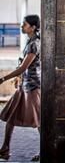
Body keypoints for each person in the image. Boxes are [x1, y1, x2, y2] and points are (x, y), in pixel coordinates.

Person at [0, 15, 41, 161]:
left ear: (33, 27)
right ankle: (5, 149)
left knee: (40, 121)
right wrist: (18, 77)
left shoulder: (35, 43)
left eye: (25, 24)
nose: (22, 26)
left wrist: (3, 79)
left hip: (32, 87)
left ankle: (46, 149)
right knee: (11, 116)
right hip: (25, 85)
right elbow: (23, 66)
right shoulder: (30, 42)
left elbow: (24, 66)